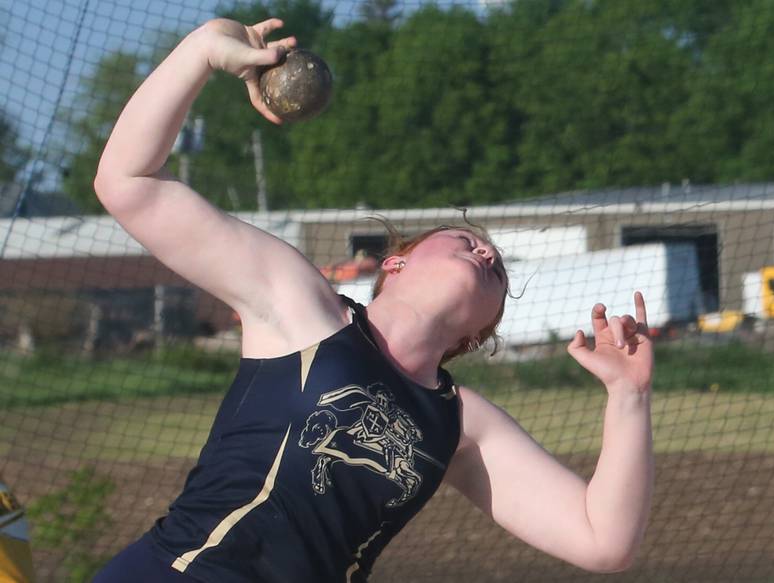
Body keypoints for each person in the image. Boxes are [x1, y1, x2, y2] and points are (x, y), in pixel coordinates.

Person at [91, 16, 654, 583]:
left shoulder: (458, 422)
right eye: (467, 242)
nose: (486, 254)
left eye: (499, 270)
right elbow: (127, 182)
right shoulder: (301, 305)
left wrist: (629, 396)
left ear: (476, 334)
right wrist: (201, 50)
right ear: (396, 262)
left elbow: (601, 540)